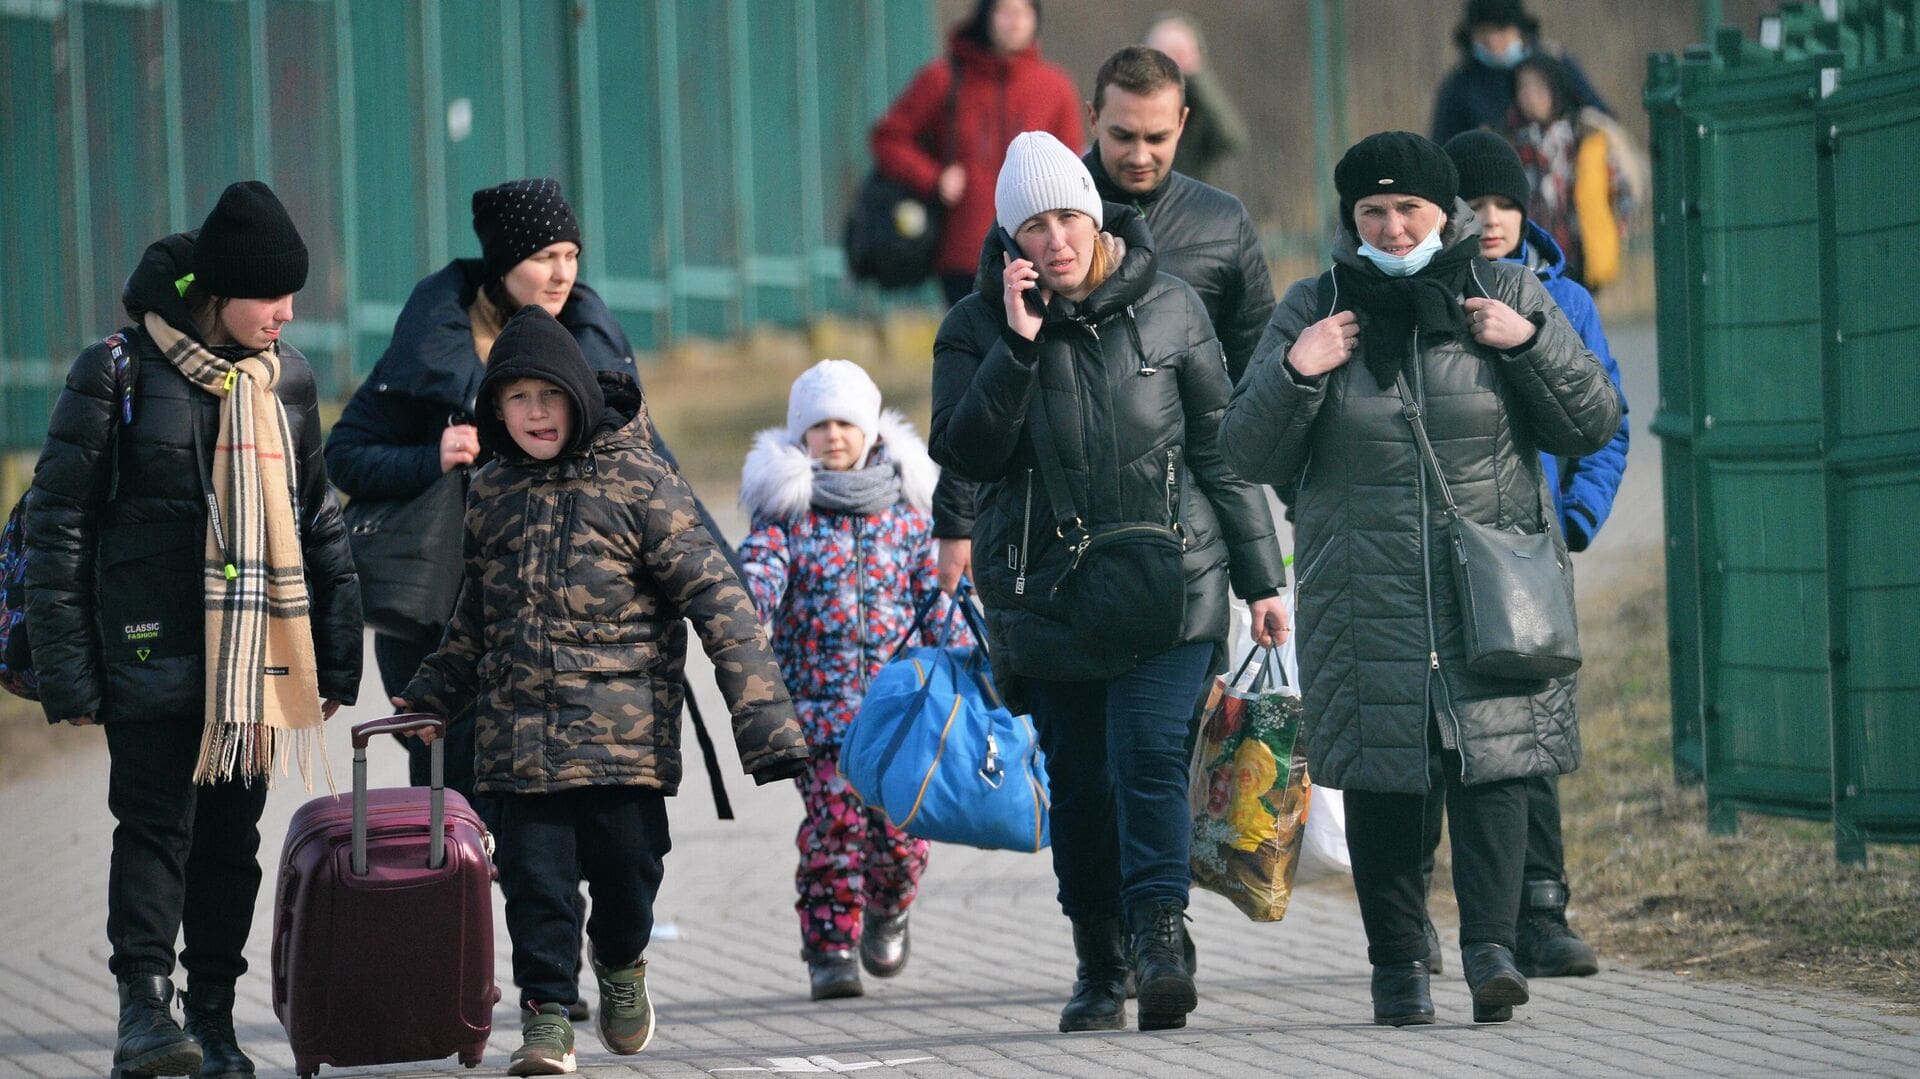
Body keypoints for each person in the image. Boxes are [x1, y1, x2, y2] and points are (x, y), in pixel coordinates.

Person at [1219, 131, 1620, 1027]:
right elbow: (1244, 450)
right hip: (1366, 592)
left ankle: (1492, 952)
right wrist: (1295, 370)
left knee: (1496, 768)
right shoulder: (1315, 307)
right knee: (1383, 782)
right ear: (1350, 217)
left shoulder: (1506, 292)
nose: (1393, 228)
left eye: (1411, 209)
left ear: (1447, 213)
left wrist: (1528, 345)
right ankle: (1398, 967)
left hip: (1492, 591)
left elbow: (1593, 421)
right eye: (1373, 211)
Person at [929, 131, 1289, 1034]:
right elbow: (967, 453)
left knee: (1149, 755)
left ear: (1095, 217)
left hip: (1173, 580)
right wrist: (1017, 346)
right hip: (1046, 597)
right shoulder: (974, 326)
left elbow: (1220, 449)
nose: (1055, 240)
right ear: (1010, 240)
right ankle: (1101, 960)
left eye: (1067, 218)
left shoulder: (1170, 306)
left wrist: (1262, 579)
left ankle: (1161, 939)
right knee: (1083, 785)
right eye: (1033, 227)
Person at [392, 307, 808, 1076]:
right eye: (517, 398)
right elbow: (476, 614)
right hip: (520, 745)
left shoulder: (641, 481)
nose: (536, 413)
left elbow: (721, 600)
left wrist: (766, 724)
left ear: (578, 395)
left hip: (623, 744)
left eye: (549, 395)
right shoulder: (491, 490)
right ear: (495, 409)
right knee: (535, 885)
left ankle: (620, 962)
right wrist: (433, 693)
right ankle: (547, 1016)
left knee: (629, 871)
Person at [25, 180, 362, 1079]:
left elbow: (318, 519)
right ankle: (144, 1009)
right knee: (153, 828)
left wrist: (336, 654)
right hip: (150, 649)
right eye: (270, 295)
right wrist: (69, 669)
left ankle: (211, 1018)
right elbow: (58, 524)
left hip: (254, 662)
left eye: (293, 295)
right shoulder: (117, 370)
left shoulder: (288, 380)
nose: (286, 313)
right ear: (219, 290)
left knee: (228, 844)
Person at [327, 178, 731, 806]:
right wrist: (430, 457)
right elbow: (345, 456)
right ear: (503, 260)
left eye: (571, 255)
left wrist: (729, 579)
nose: (562, 272)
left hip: (566, 619)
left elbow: (655, 474)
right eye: (544, 256)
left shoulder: (593, 346)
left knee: (549, 806)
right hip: (439, 613)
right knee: (451, 792)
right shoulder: (429, 344)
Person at [930, 44, 1276, 597]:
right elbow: (982, 373)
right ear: (1093, 119)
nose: (1140, 154)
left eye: (1157, 137)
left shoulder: (1221, 222)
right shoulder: (1030, 214)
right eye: (1122, 135)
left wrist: (1266, 554)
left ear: (1183, 122)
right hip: (1057, 525)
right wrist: (957, 520)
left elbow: (1256, 371)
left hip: (1178, 523)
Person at [1438, 128, 1629, 978]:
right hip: (1444, 548)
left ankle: (1543, 911)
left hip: (1531, 553)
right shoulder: (1428, 296)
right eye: (1472, 205)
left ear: (1525, 211)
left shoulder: (1566, 300)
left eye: (1503, 204)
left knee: (1535, 732)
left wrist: (1578, 515)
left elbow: (1607, 419)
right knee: (1446, 738)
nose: (1489, 220)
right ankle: (1441, 917)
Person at [735, 359, 959, 1002]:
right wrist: (740, 601)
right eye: (819, 425)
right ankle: (830, 948)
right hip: (818, 712)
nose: (833, 436)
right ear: (800, 434)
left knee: (900, 838)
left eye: (845, 424)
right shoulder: (788, 514)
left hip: (898, 716)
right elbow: (760, 573)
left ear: (871, 431)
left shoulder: (909, 515)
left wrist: (968, 654)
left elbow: (937, 597)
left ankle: (889, 906)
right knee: (834, 829)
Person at [870, 0, 1083, 307]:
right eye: (1005, 12)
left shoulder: (1055, 88)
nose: (1015, 21)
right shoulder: (944, 78)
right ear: (986, 17)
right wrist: (934, 178)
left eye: (1024, 12)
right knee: (973, 334)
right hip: (963, 252)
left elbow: (1072, 168)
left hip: (1036, 251)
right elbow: (889, 137)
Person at [1504, 55, 1644, 291]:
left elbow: (1623, 191)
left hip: (1579, 256)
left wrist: (1614, 236)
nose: (1531, 96)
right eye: (1523, 88)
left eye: (1539, 88)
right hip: (1528, 261)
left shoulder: (1588, 137)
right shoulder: (1508, 142)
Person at [1429, 0, 1608, 146]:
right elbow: (1442, 146)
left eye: (1501, 30)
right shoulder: (1460, 85)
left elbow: (1601, 119)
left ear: (1519, 30)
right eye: (1484, 32)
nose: (1493, 41)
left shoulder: (1555, 65)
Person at [1142, 11, 1249, 187]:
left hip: (1195, 191)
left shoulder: (1198, 103)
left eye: (1177, 53)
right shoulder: (1133, 101)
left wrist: (1195, 74)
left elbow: (1231, 138)